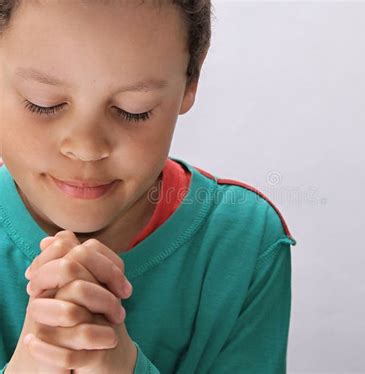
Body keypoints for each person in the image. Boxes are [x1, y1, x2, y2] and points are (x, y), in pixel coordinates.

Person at [0, 0, 297, 373]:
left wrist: (125, 366)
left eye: (133, 109)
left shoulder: (243, 241)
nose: (87, 148)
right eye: (42, 104)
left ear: (191, 80)